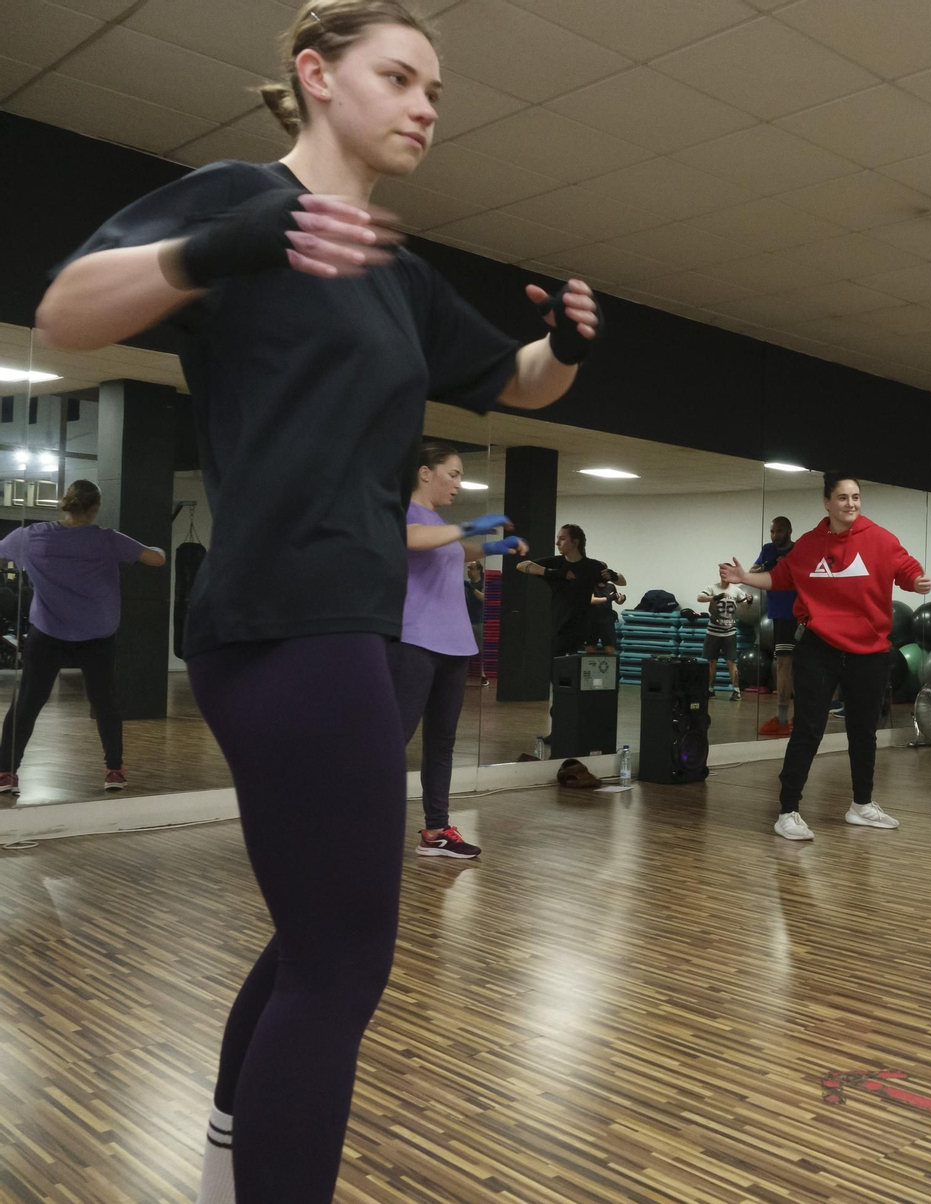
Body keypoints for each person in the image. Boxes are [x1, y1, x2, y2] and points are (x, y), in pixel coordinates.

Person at [32, 3, 601, 1200]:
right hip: (282, 614)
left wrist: (564, 348)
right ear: (316, 75)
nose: (426, 106)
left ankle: (229, 1149)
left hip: (348, 616)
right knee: (344, 965)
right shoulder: (240, 198)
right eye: (400, 77)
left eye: (436, 90)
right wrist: (214, 250)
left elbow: (516, 381)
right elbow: (65, 313)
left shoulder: (396, 270)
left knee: (318, 937)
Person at [721, 473, 931, 841]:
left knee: (864, 732)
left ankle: (861, 805)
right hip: (819, 649)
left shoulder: (881, 538)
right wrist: (745, 578)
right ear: (827, 502)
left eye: (856, 497)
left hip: (869, 652)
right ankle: (787, 811)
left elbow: (906, 568)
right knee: (808, 730)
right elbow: (781, 577)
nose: (851, 503)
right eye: (843, 497)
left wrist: (916, 581)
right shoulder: (809, 545)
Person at [393, 441, 526, 860]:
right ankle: (348, 822)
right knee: (393, 739)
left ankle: (436, 830)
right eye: (452, 474)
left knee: (442, 743)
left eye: (461, 477)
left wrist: (489, 548)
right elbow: (414, 539)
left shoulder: (438, 521)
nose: (458, 483)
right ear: (424, 473)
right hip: (415, 642)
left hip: (453, 646)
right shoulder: (402, 514)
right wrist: (470, 527)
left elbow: (448, 548)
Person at [0, 479, 166, 794]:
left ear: (66, 503)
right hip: (97, 635)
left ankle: (5, 772)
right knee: (105, 703)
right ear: (95, 508)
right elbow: (156, 559)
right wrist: (159, 549)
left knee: (27, 703)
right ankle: (114, 771)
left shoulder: (30, 537)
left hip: (47, 633)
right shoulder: (107, 540)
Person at [515, 524, 622, 658]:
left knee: (570, 661)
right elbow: (521, 565)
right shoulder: (556, 563)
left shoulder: (592, 566)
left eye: (562, 539)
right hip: (559, 624)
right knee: (557, 660)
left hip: (581, 625)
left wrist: (613, 576)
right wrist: (552, 572)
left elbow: (622, 581)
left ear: (575, 542)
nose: (557, 543)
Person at [754, 516, 796, 735]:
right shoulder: (768, 550)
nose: (775, 535)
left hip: (796, 613)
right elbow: (752, 573)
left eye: (779, 531)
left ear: (789, 531)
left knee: (790, 665)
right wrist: (769, 566)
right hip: (778, 614)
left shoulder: (798, 550)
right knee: (784, 664)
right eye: (772, 531)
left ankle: (784, 719)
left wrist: (787, 567)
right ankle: (784, 718)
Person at [696, 581, 743, 700]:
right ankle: (710, 689)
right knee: (712, 661)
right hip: (713, 632)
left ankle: (737, 691)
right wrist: (715, 597)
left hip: (729, 632)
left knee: (731, 661)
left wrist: (750, 600)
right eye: (722, 573)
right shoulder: (711, 588)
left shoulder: (736, 590)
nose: (724, 575)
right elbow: (699, 598)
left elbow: (746, 606)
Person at [584, 577, 624, 655]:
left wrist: (621, 599)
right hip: (592, 620)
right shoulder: (590, 585)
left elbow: (618, 601)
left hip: (607, 621)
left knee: (610, 649)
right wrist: (608, 598)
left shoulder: (611, 586)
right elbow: (591, 600)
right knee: (590, 648)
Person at [464, 560, 486, 680]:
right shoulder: (466, 584)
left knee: (481, 649)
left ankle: (482, 673)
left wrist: (471, 588)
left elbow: (483, 598)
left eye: (471, 568)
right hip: (465, 622)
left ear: (478, 570)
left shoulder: (482, 584)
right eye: (468, 568)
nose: (469, 571)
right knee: (464, 648)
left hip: (478, 621)